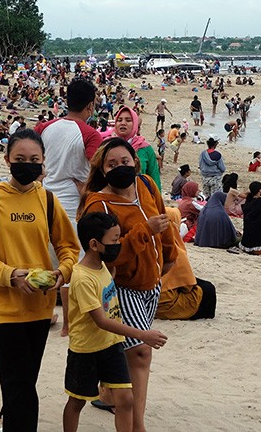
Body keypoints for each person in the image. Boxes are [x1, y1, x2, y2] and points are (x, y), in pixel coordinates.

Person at [0, 129, 81, 430]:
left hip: (39, 310)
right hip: (3, 310)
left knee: (24, 380)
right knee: (21, 386)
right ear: (7, 160)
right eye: (20, 159)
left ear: (43, 163)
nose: (27, 164)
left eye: (34, 159)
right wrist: (9, 275)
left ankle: (9, 417)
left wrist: (62, 273)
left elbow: (68, 247)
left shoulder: (49, 201)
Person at [80, 138, 178, 432]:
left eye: (125, 162)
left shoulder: (146, 184)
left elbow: (163, 222)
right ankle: (137, 426)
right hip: (122, 285)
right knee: (140, 352)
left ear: (135, 162)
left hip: (152, 282)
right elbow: (111, 255)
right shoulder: (100, 203)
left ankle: (108, 393)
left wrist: (169, 255)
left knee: (125, 349)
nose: (120, 167)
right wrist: (143, 232)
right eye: (112, 164)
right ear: (103, 169)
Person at [64, 212, 168, 432]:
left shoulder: (103, 267)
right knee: (77, 401)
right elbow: (100, 320)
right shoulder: (82, 278)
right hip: (86, 351)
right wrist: (142, 334)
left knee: (126, 400)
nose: (118, 244)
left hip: (112, 346)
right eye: (113, 240)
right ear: (94, 244)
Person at [34, 78, 102, 219]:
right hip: (73, 206)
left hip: (44, 200)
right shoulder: (90, 135)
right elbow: (100, 169)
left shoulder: (44, 128)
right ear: (90, 106)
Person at [157, 207, 217, 319]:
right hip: (164, 302)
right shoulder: (174, 249)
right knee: (208, 290)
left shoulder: (152, 241)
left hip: (146, 297)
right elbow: (187, 286)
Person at [109, 106, 162, 192]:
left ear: (135, 124)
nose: (123, 123)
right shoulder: (107, 146)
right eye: (119, 120)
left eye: (128, 120)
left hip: (141, 198)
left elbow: (154, 180)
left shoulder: (146, 149)